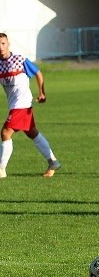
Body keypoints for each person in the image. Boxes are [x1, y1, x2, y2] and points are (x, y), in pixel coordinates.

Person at [0, 33, 61, 178]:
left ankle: (1, 169)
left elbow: (38, 73)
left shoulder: (19, 60)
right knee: (32, 132)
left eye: (3, 43)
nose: (0, 47)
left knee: (5, 133)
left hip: (22, 104)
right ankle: (53, 162)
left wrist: (42, 92)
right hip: (14, 105)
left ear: (8, 44)